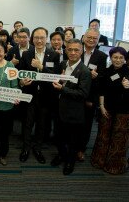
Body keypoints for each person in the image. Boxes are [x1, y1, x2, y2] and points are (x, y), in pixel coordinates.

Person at [90, 47, 129, 174]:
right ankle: (99, 161)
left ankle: (114, 166)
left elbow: (127, 81)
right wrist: (102, 106)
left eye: (121, 57)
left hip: (123, 109)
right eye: (115, 57)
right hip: (107, 107)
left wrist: (126, 84)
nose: (118, 60)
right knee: (103, 135)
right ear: (111, 58)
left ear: (125, 59)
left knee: (118, 137)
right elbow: (102, 90)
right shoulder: (106, 71)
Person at [18, 27, 60, 164]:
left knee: (42, 125)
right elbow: (21, 73)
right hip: (30, 95)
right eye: (36, 38)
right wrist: (22, 82)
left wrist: (41, 67)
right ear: (32, 39)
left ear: (46, 39)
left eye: (42, 37)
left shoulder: (53, 55)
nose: (39, 40)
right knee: (27, 124)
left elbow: (54, 77)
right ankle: (25, 148)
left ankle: (37, 149)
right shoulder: (26, 54)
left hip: (46, 96)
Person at [51, 39, 92, 175]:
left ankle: (70, 161)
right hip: (59, 109)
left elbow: (83, 94)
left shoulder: (84, 71)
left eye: (76, 50)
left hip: (74, 112)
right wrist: (60, 82)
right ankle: (61, 155)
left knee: (72, 140)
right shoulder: (63, 64)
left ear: (81, 51)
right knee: (58, 136)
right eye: (70, 50)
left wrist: (62, 88)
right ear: (66, 50)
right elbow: (59, 80)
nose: (73, 53)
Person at [78, 28, 108, 162]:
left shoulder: (102, 57)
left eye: (94, 38)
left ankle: (81, 149)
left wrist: (96, 76)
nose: (91, 40)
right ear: (84, 37)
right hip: (72, 93)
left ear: (98, 40)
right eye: (89, 37)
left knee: (86, 125)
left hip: (89, 96)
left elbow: (102, 80)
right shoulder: (75, 50)